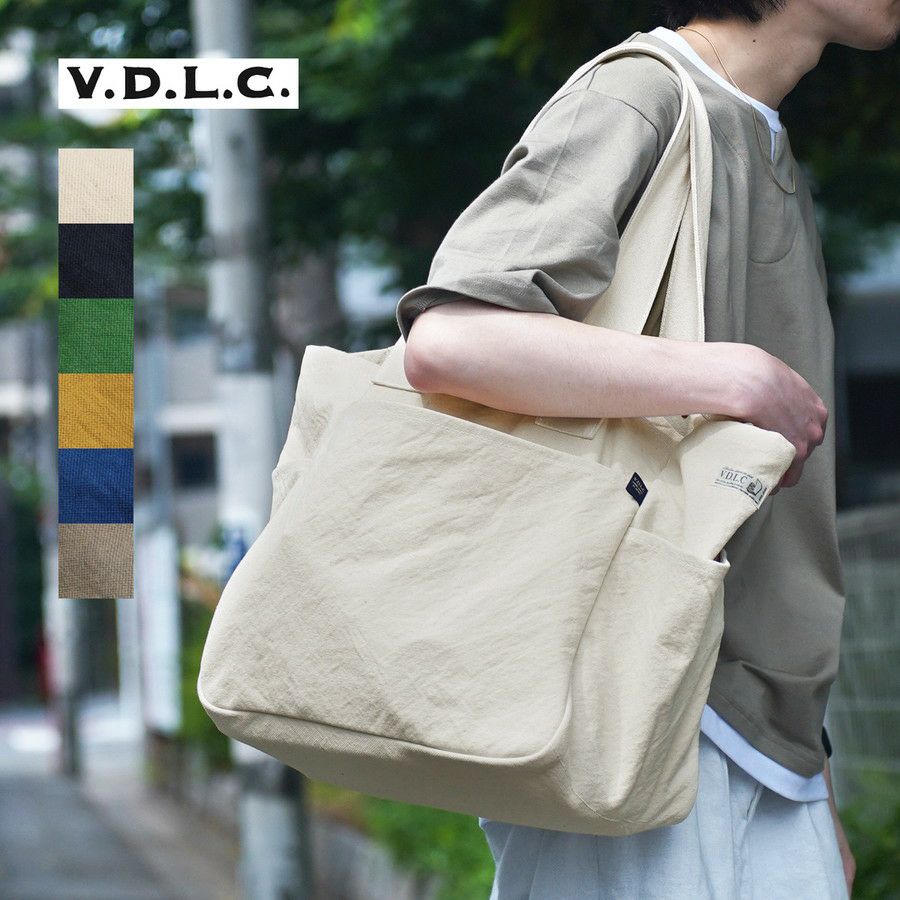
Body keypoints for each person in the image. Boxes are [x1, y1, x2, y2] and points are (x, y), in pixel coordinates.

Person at [396, 2, 899, 897]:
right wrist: (730, 377)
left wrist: (809, 776)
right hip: (635, 705)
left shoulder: (756, 131)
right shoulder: (639, 95)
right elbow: (451, 341)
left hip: (752, 731)